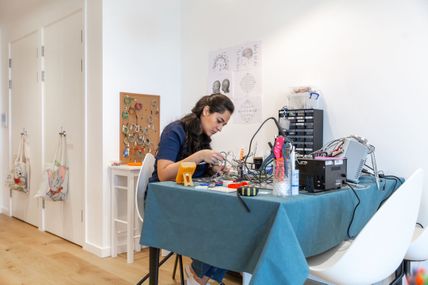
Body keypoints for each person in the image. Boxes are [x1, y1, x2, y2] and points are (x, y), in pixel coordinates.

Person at [149, 93, 235, 285]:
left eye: (223, 125)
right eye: (219, 121)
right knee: (221, 222)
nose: (220, 128)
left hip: (188, 200)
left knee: (236, 220)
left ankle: (197, 276)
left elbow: (193, 173)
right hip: (162, 201)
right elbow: (164, 174)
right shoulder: (175, 131)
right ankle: (198, 276)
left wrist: (213, 168)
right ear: (206, 111)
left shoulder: (203, 138)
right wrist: (199, 156)